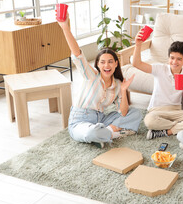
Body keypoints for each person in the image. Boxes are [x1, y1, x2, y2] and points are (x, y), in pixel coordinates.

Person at [57, 12, 142, 148]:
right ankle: (112, 134)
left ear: (116, 64)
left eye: (110, 62)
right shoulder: (90, 75)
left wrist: (124, 90)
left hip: (102, 119)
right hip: (80, 120)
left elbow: (124, 112)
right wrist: (65, 27)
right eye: (102, 62)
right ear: (97, 64)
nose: (106, 66)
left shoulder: (118, 84)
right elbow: (78, 54)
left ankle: (104, 134)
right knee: (91, 132)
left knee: (136, 113)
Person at [133, 29, 183, 139]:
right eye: (172, 58)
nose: (174, 62)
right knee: (149, 121)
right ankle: (179, 127)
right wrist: (138, 45)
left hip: (176, 111)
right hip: (157, 110)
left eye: (179, 59)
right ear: (168, 58)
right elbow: (136, 64)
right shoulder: (159, 69)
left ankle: (166, 131)